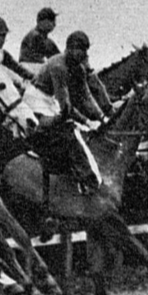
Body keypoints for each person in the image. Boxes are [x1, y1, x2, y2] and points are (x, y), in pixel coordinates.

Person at [29, 31, 110, 193]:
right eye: (82, 49)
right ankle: (90, 180)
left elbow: (86, 97)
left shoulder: (79, 68)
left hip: (51, 101)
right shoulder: (58, 66)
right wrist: (87, 121)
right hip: (37, 100)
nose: (85, 54)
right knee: (71, 131)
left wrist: (102, 117)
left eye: (86, 49)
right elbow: (66, 107)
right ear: (70, 49)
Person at [19, 7, 61, 71]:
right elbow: (55, 58)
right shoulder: (36, 36)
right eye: (51, 20)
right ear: (41, 21)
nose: (54, 24)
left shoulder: (41, 37)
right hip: (30, 69)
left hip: (32, 68)